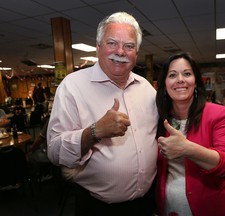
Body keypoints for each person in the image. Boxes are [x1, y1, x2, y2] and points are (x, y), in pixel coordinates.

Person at [47, 12, 158, 216]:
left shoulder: (147, 89)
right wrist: (95, 131)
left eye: (129, 46)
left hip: (145, 205)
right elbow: (55, 152)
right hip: (98, 208)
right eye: (112, 43)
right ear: (98, 47)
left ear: (137, 52)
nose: (120, 51)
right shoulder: (72, 86)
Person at [155, 52, 225, 216]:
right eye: (172, 75)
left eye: (187, 73)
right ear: (164, 85)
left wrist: (187, 149)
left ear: (196, 83)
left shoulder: (218, 114)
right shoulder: (159, 118)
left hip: (210, 208)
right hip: (169, 207)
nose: (180, 79)